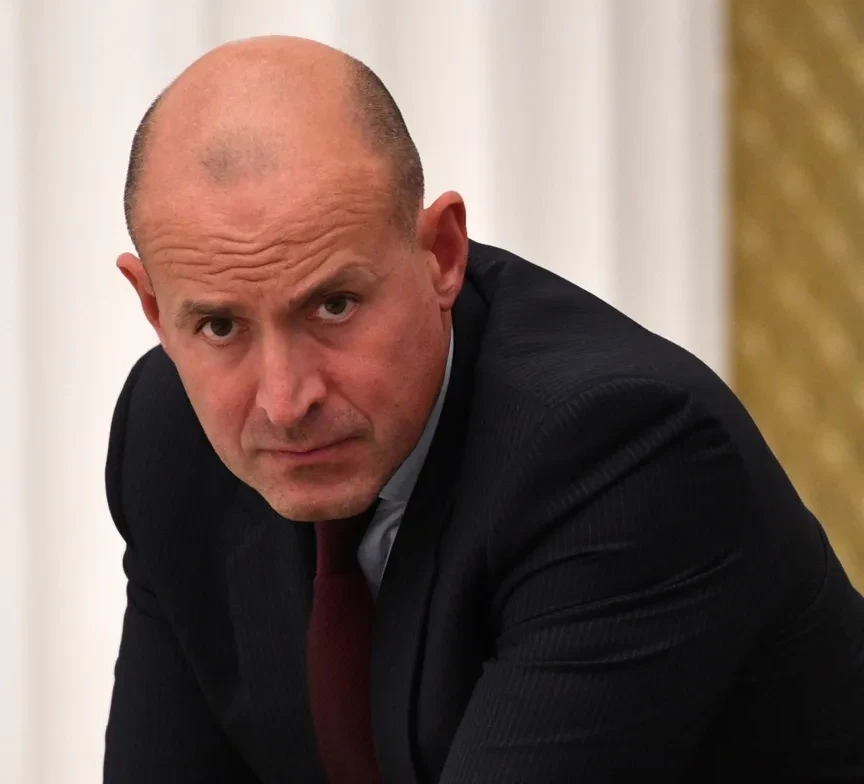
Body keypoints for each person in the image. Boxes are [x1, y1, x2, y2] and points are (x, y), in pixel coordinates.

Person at [102, 35, 864, 783]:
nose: (285, 401)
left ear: (442, 254)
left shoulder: (623, 452)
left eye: (334, 306)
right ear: (153, 307)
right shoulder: (170, 439)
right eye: (220, 326)